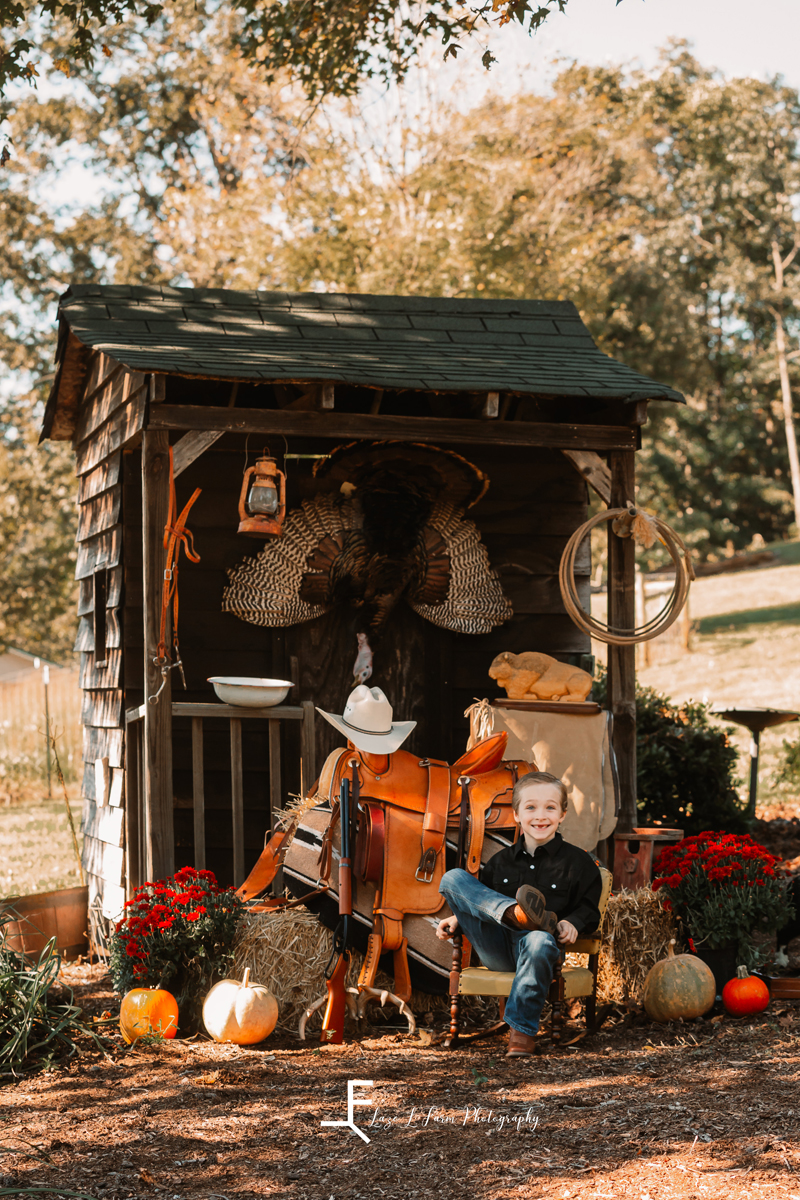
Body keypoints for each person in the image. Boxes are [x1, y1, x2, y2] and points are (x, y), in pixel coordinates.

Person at [437, 770, 602, 1058]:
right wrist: (456, 918)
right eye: (531, 807)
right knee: (453, 877)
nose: (541, 816)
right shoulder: (500, 862)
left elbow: (589, 908)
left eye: (550, 807)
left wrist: (572, 922)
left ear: (562, 814)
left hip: (541, 951)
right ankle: (513, 912)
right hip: (497, 947)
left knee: (538, 937)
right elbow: (478, 900)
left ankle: (522, 1034)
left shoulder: (579, 863)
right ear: (516, 815)